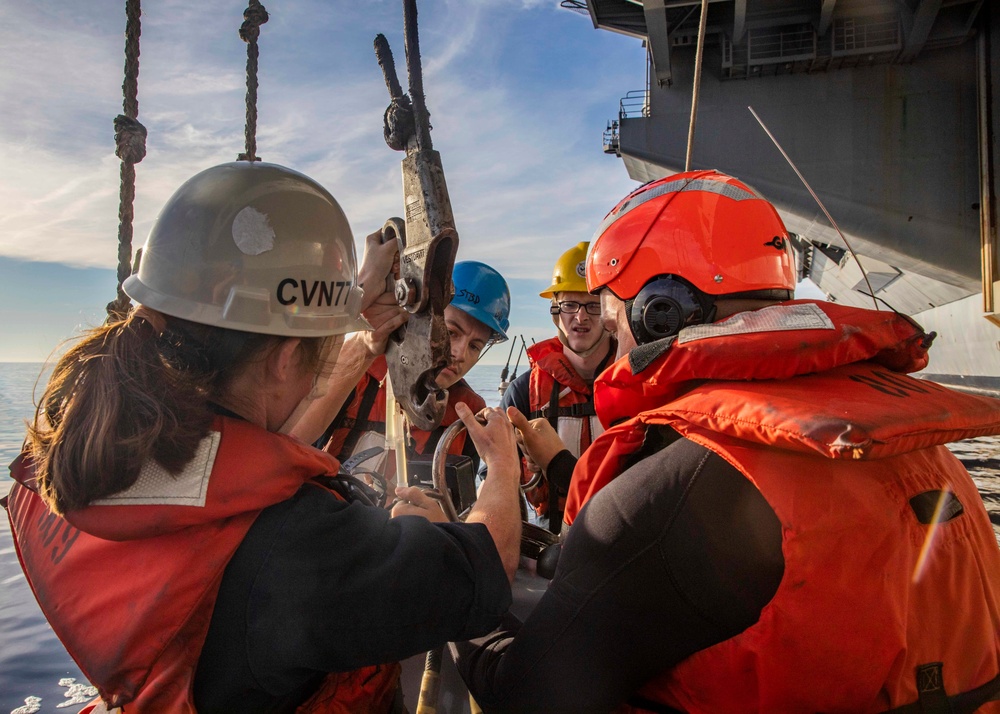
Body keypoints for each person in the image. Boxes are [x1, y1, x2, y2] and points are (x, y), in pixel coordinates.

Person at [454, 169, 1000, 712]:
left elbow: (525, 695)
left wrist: (455, 573)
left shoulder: (674, 489)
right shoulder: (921, 448)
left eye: (617, 328)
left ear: (659, 314)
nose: (614, 353)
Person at [2, 161, 523, 713]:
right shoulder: (303, 552)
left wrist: (350, 313)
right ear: (281, 361)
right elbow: (485, 568)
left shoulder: (84, 455)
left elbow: (254, 465)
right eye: (322, 346)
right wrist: (505, 470)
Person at [290, 260, 511, 503]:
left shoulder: (469, 416)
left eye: (475, 346)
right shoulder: (357, 376)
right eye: (450, 332)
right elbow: (287, 444)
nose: (459, 353)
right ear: (420, 319)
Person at [493, 242, 613, 533]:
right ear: (555, 312)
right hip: (552, 535)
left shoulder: (642, 383)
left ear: (611, 311)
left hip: (624, 532)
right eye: (570, 305)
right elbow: (493, 475)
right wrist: (525, 470)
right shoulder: (523, 393)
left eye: (593, 305)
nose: (580, 317)